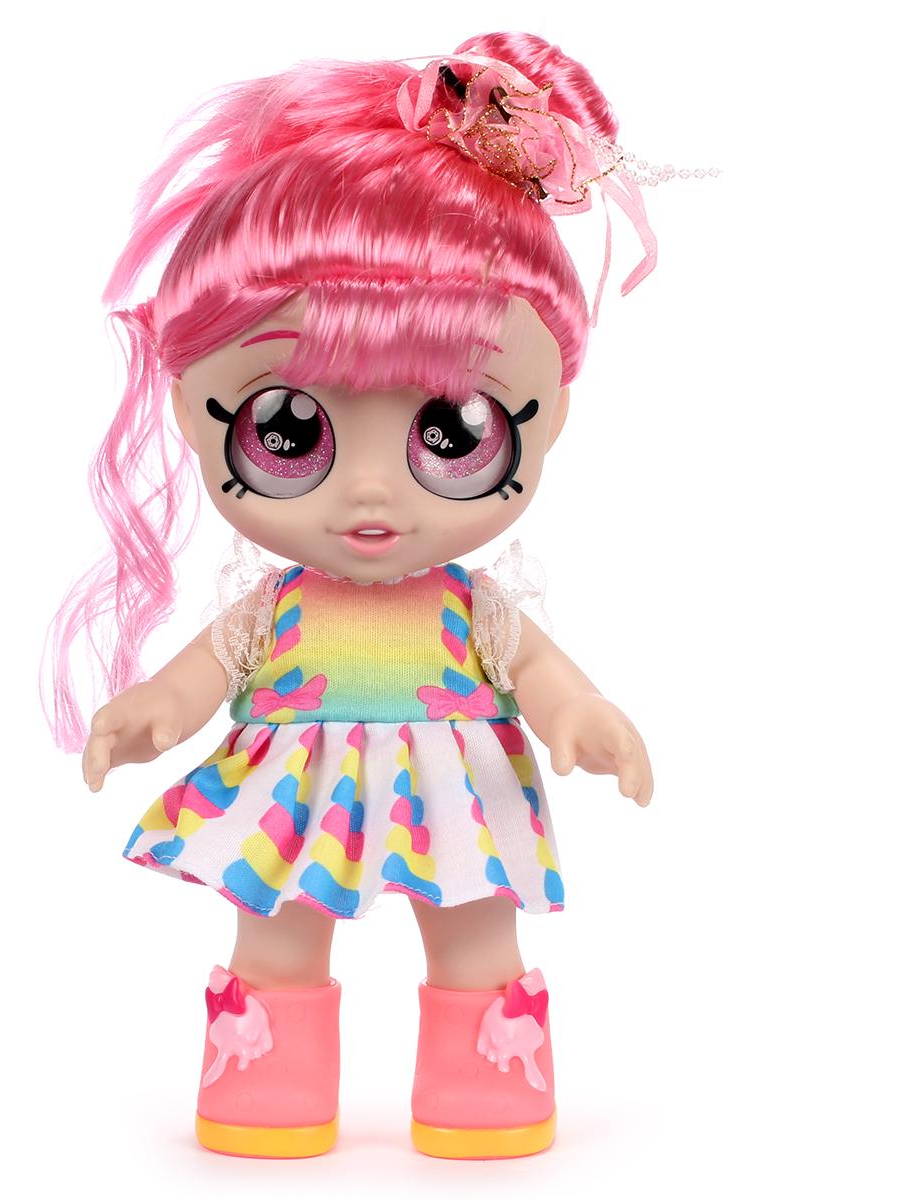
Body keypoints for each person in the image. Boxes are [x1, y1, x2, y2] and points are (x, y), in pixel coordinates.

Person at [46, 31, 661, 1160]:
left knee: (476, 933)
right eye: (290, 431)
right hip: (296, 792)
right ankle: (265, 1090)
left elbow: (540, 672)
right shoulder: (268, 614)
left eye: (453, 432)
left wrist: (581, 715)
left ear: (551, 417)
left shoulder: (476, 613)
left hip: (457, 787)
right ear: (191, 411)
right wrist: (151, 712)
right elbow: (196, 680)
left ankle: (487, 1092)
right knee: (276, 931)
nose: (372, 492)